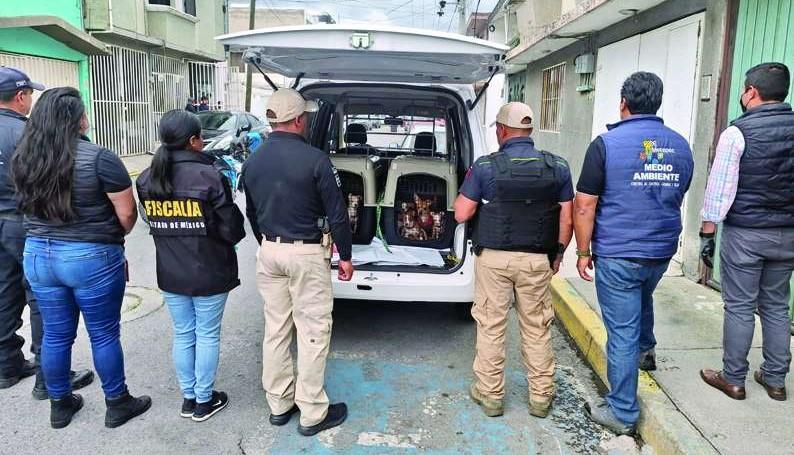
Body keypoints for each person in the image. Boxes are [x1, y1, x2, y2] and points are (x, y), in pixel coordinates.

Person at [10, 87, 151, 429]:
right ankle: (117, 402)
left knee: (55, 334)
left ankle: (60, 405)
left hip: (38, 253)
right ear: (77, 119)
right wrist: (109, 238)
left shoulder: (25, 156)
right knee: (103, 333)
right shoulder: (100, 158)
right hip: (90, 255)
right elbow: (127, 214)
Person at [573, 72, 693, 435]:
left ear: (623, 102)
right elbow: (679, 191)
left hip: (619, 251)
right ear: (657, 102)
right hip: (660, 250)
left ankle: (622, 411)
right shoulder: (680, 145)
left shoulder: (605, 145)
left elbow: (584, 205)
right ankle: (646, 351)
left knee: (621, 330)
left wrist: (582, 251)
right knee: (642, 294)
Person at [242, 88, 354, 436]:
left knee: (276, 329)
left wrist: (267, 243)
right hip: (306, 254)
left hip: (269, 251)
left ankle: (279, 404)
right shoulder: (316, 160)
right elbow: (337, 214)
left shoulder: (252, 161)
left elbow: (251, 212)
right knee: (313, 330)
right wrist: (346, 256)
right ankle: (313, 412)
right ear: (299, 120)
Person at [453, 101, 574, 419]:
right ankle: (541, 397)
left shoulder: (485, 167)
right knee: (537, 326)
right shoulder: (557, 167)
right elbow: (567, 217)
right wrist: (559, 253)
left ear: (502, 130)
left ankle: (491, 395)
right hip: (537, 260)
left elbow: (462, 213)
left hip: (494, 260)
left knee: (491, 325)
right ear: (529, 130)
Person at [136, 109, 245, 421]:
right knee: (207, 334)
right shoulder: (209, 175)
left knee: (184, 334)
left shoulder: (146, 178)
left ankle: (189, 398)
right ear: (194, 140)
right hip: (210, 270)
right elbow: (232, 229)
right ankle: (203, 400)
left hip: (171, 272)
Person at [699, 62, 794, 402]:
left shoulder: (738, 133)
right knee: (777, 305)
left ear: (751, 92)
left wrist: (708, 234)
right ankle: (775, 380)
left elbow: (719, 190)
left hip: (746, 235)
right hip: (788, 234)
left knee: (740, 306)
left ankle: (733, 378)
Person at [0, 67, 94, 398]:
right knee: (42, 296)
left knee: (3, 291)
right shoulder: (28, 134)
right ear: (20, 96)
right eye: (29, 95)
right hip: (24, 222)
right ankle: (48, 375)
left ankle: (6, 366)